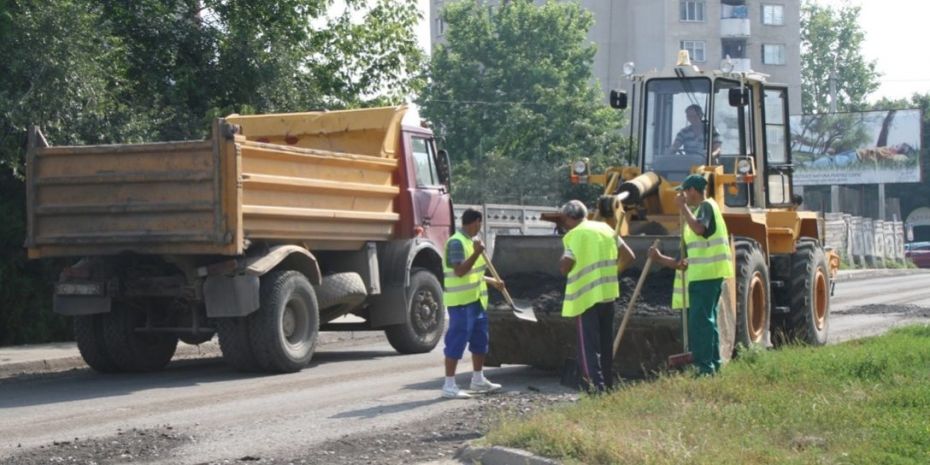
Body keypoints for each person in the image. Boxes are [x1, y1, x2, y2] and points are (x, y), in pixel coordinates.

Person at [648, 174, 733, 376]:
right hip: (704, 276)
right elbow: (682, 262)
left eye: (685, 191)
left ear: (693, 191)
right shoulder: (698, 213)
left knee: (701, 323)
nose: (682, 195)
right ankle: (713, 364)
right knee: (707, 321)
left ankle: (705, 369)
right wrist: (659, 258)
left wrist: (682, 208)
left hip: (706, 276)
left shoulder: (706, 207)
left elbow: (699, 228)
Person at [559, 200, 635, 392]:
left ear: (569, 218)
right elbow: (629, 256)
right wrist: (612, 273)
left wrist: (562, 263)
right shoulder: (605, 228)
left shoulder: (574, 235)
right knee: (605, 344)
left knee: (588, 347)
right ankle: (608, 385)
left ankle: (595, 388)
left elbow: (565, 266)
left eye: (564, 219)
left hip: (586, 298)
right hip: (608, 296)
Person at [441, 208, 505, 399]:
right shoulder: (456, 242)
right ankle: (449, 385)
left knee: (480, 341)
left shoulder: (470, 242)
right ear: (475, 221)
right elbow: (460, 271)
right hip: (461, 304)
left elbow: (473, 273)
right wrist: (477, 253)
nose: (480, 227)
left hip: (476, 301)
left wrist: (493, 281)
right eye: (480, 223)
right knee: (456, 342)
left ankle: (478, 380)